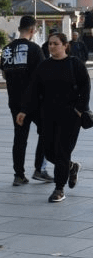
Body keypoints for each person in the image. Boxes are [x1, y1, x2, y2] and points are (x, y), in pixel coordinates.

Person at [18, 33, 90, 203]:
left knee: (63, 152)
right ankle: (72, 167)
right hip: (48, 116)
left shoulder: (75, 64)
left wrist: (80, 109)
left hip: (70, 117)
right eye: (49, 44)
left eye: (55, 44)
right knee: (50, 152)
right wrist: (24, 110)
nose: (51, 47)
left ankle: (59, 188)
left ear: (65, 45)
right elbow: (33, 90)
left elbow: (85, 87)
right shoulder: (44, 66)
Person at [1, 15, 51, 186]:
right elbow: (42, 77)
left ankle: (19, 175)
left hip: (14, 101)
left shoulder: (6, 50)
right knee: (46, 130)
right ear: (32, 30)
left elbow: (4, 74)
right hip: (34, 101)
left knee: (19, 137)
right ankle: (39, 169)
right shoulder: (35, 49)